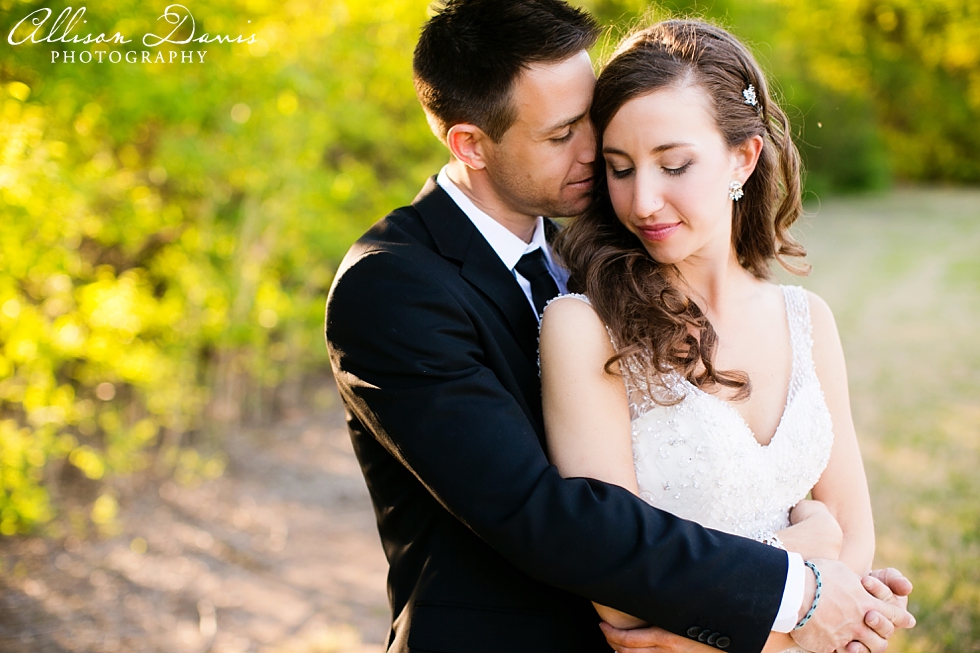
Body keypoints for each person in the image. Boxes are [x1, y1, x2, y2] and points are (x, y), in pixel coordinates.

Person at [324, 2, 914, 652]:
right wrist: (799, 586)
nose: (595, 156)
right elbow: (544, 517)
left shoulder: (586, 264)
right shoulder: (393, 288)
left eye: (594, 123)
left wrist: (839, 589)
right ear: (470, 144)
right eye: (562, 135)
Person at [540, 18, 911, 653]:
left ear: (744, 155)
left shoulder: (808, 319)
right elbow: (617, 585)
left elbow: (852, 538)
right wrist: (807, 559)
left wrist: (699, 639)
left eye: (674, 164)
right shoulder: (584, 327)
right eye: (620, 169)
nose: (644, 201)